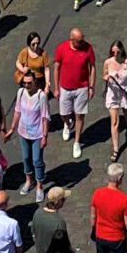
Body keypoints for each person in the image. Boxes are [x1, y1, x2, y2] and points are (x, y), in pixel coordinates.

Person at [52, 26, 97, 160]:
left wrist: (91, 86)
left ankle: (77, 142)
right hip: (65, 88)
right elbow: (56, 68)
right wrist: (56, 88)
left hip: (82, 88)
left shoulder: (88, 48)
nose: (82, 43)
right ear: (71, 39)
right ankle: (67, 123)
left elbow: (92, 67)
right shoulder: (62, 48)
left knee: (80, 115)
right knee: (63, 113)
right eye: (79, 41)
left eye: (82, 39)